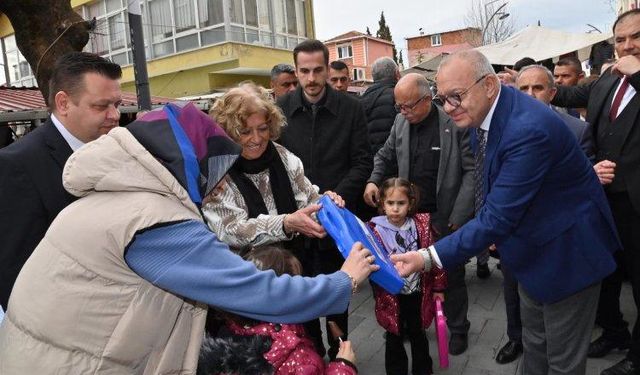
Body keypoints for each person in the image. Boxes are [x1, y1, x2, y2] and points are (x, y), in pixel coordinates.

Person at [0, 101, 379, 374]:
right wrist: (343, 281)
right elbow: (256, 291)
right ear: (181, 161)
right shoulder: (152, 220)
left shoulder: (113, 197)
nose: (207, 181)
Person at [392, 50, 620, 375]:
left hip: (568, 256)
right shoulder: (480, 114)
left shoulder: (528, 129)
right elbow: (489, 181)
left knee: (562, 364)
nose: (448, 107)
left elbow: (497, 217)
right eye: (442, 98)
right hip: (530, 249)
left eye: (455, 96)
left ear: (487, 85)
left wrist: (426, 258)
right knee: (535, 346)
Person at [551, 9, 640, 375]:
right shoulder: (608, 80)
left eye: (636, 37)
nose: (628, 45)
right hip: (603, 201)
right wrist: (520, 83)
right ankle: (615, 332)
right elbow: (567, 95)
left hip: (637, 204)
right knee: (605, 274)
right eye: (620, 40)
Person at [0, 52, 122, 310]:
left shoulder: (116, 151)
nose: (115, 115)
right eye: (101, 106)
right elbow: (15, 272)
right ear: (64, 103)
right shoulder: (16, 164)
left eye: (117, 104)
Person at [363, 72, 474, 355]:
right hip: (409, 219)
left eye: (408, 106)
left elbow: (472, 172)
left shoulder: (453, 123)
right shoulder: (401, 123)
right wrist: (374, 179)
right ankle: (419, 324)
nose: (403, 112)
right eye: (399, 106)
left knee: (451, 273)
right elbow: (385, 155)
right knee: (414, 277)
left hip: (443, 214)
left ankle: (458, 328)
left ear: (427, 99)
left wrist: (459, 214)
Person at [277, 39, 372, 360]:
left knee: (337, 301)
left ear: (328, 68)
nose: (312, 78)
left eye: (318, 70)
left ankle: (341, 358)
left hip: (337, 226)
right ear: (297, 71)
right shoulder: (281, 111)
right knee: (301, 305)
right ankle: (311, 359)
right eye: (305, 71)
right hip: (297, 228)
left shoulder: (351, 108)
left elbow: (363, 162)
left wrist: (336, 198)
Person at [203, 82, 342, 253]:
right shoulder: (217, 170)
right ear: (228, 132)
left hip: (295, 265)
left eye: (262, 129)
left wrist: (325, 206)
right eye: (245, 132)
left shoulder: (283, 156)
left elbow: (307, 200)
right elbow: (230, 230)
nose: (256, 139)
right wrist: (285, 224)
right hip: (247, 272)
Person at [198, 245, 359, 375]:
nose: (304, 288)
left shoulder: (223, 336)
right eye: (297, 285)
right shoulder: (300, 359)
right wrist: (343, 366)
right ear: (279, 294)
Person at [368, 178, 446, 375]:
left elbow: (434, 258)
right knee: (394, 335)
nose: (395, 209)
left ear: (410, 203)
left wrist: (438, 288)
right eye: (390, 203)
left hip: (418, 293)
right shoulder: (373, 230)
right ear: (382, 204)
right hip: (390, 295)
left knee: (418, 333)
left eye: (401, 203)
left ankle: (423, 369)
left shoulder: (421, 226)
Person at [516, 64, 595, 160]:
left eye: (537, 88)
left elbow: (586, 172)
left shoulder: (577, 130)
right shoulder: (501, 127)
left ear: (551, 93)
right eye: (524, 89)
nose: (530, 94)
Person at [360, 56, 400, 154]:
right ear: (397, 73)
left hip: (370, 161)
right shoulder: (398, 96)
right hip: (393, 160)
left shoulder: (362, 99)